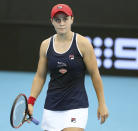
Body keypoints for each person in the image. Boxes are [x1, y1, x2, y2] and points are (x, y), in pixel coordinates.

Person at [28, 3, 109, 131]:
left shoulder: (83, 44)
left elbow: (95, 74)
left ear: (72, 19)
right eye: (57, 20)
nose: (61, 23)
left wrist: (102, 103)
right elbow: (40, 76)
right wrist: (31, 102)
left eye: (65, 19)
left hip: (76, 105)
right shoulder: (45, 45)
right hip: (52, 106)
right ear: (52, 22)